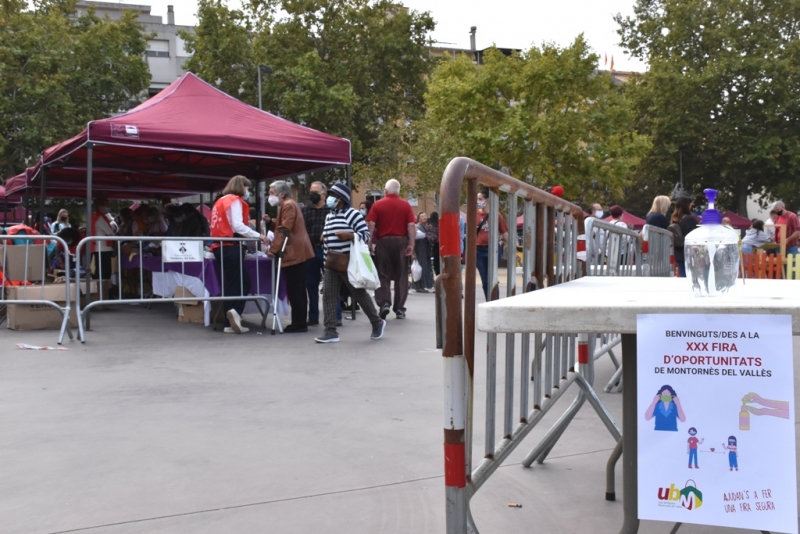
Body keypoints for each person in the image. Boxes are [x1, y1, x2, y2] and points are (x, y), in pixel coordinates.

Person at [314, 183, 386, 343]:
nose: (329, 198)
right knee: (328, 296)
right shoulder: (329, 215)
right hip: (331, 262)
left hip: (348, 261)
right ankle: (330, 330)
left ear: (341, 198)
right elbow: (327, 239)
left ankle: (377, 322)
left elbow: (365, 235)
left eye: (333, 195)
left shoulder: (352, 214)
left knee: (358, 294)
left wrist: (350, 235)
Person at [210, 175, 269, 334]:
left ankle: (230, 319)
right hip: (231, 245)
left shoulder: (219, 202)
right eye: (247, 188)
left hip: (219, 246)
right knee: (243, 282)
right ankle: (235, 311)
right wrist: (258, 235)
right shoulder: (234, 200)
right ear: (241, 186)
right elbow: (237, 226)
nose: (248, 191)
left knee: (232, 282)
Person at [265, 180, 314, 332]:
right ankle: (299, 322)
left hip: (295, 252)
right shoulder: (288, 205)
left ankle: (299, 323)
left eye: (272, 193)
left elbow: (285, 229)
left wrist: (273, 249)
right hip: (295, 250)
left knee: (296, 289)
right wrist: (271, 223)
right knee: (296, 288)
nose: (270, 196)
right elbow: (284, 226)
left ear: (282, 193)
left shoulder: (288, 205)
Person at [366, 179, 416, 320]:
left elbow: (371, 224)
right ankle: (399, 308)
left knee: (383, 274)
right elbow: (411, 226)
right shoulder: (405, 205)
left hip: (383, 242)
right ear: (398, 191)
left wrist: (369, 242)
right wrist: (411, 244)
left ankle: (384, 303)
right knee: (401, 276)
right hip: (401, 242)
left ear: (385, 190)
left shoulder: (377, 204)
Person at [303, 181, 331, 326]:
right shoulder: (306, 210)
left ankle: (334, 316)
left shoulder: (331, 211)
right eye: (311, 192)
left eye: (316, 192)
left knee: (332, 284)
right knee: (311, 284)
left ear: (323, 195)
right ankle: (313, 316)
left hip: (327, 250)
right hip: (310, 250)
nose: (312, 194)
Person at [476, 188, 508, 301]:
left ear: (488, 200)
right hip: (478, 250)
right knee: (485, 280)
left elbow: (505, 233)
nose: (478, 201)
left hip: (493, 249)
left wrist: (513, 251)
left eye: (480, 199)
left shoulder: (496, 215)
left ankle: (495, 301)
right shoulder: (474, 214)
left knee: (492, 277)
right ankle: (489, 300)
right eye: (477, 199)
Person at [90, 196, 116, 299]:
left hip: (98, 247)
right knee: (105, 273)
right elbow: (109, 232)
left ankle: (100, 294)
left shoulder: (94, 216)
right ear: (100, 206)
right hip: (104, 248)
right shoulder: (100, 218)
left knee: (100, 272)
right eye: (106, 205)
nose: (107, 207)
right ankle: (104, 294)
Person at [669, 196, 698, 277]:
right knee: (691, 277)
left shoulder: (675, 218)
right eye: (691, 205)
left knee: (683, 275)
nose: (692, 207)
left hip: (678, 253)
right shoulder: (690, 219)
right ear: (687, 206)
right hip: (689, 253)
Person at [412, 212, 434, 292]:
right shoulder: (417, 227)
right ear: (419, 218)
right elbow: (413, 239)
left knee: (425, 267)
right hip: (419, 250)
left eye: (425, 216)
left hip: (425, 250)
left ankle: (425, 285)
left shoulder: (427, 227)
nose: (424, 217)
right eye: (422, 216)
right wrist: (413, 252)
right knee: (419, 268)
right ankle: (418, 286)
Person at [427, 211, 441, 276]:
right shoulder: (441, 225)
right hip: (442, 244)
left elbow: (432, 238)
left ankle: (438, 274)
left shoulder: (431, 226)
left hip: (435, 245)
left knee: (436, 262)